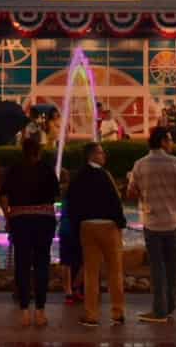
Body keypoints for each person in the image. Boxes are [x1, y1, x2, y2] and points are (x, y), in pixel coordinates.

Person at [127, 125, 176, 325]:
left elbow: (131, 193)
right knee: (172, 266)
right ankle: (170, 305)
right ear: (163, 142)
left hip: (152, 223)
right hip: (173, 222)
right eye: (170, 140)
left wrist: (143, 196)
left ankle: (159, 311)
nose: (172, 143)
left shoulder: (140, 165)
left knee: (157, 267)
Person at [0, 128, 58, 328]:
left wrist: (8, 217)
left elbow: (4, 197)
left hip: (20, 221)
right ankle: (40, 312)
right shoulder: (47, 169)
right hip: (43, 221)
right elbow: (55, 195)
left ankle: (24, 312)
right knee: (42, 263)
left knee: (22, 264)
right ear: (38, 152)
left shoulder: (13, 170)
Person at [64, 140, 126, 327]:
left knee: (91, 272)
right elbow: (115, 200)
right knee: (115, 271)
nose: (104, 156)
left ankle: (91, 315)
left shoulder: (78, 177)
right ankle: (117, 312)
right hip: (108, 227)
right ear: (91, 156)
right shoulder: (105, 176)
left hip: (87, 227)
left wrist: (77, 226)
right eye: (100, 153)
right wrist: (120, 222)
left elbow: (71, 204)